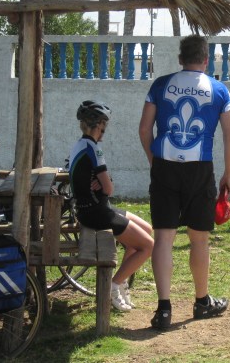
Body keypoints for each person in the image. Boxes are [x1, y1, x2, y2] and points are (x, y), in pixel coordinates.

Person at [139, 35, 230, 331]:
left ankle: (164, 309)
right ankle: (201, 301)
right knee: (199, 239)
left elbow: (145, 129)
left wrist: (153, 159)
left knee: (164, 238)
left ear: (180, 58)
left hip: (165, 166)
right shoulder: (219, 90)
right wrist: (229, 173)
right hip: (200, 168)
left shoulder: (161, 85)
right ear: (206, 60)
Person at [69, 100, 154, 312]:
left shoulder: (80, 145)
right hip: (96, 212)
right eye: (105, 123)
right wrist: (106, 183)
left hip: (92, 208)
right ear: (99, 125)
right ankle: (113, 286)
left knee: (146, 230)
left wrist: (103, 182)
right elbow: (109, 189)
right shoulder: (94, 149)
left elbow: (100, 184)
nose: (105, 128)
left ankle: (122, 281)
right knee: (148, 245)